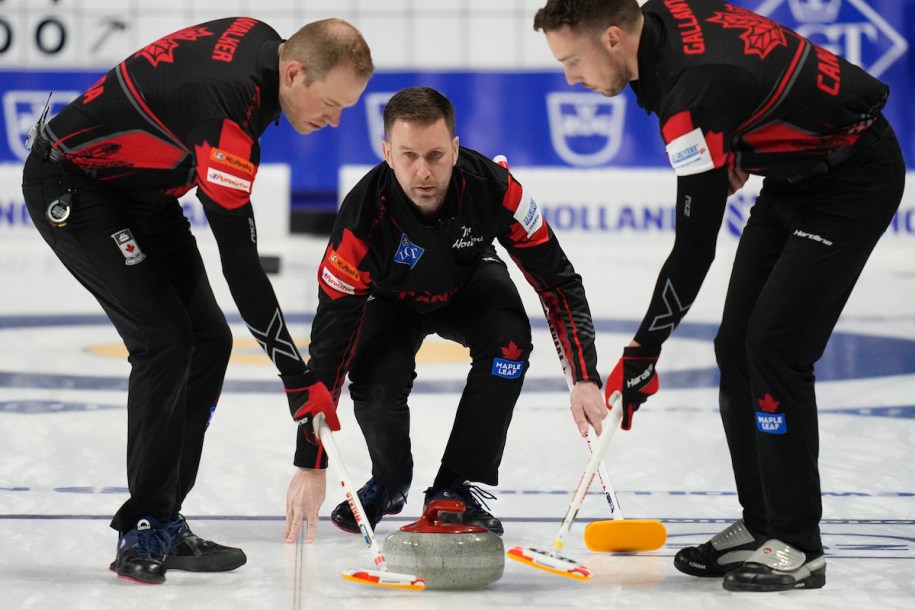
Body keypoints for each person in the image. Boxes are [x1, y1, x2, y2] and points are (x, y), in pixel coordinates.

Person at [534, 0, 904, 593]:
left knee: (775, 347)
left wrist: (642, 352)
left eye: (572, 61)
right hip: (791, 177)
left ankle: (799, 545)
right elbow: (749, 71)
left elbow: (694, 249)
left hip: (853, 178)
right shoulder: (661, 22)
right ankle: (761, 525)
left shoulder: (693, 94)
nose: (570, 79)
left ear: (610, 38)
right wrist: (736, 143)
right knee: (734, 345)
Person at [21, 17, 372, 585]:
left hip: (145, 192)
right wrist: (296, 377)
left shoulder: (261, 40)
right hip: (75, 186)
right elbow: (240, 265)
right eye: (331, 104)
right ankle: (141, 526)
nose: (334, 121)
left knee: (209, 340)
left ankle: (163, 516)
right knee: (164, 339)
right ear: (295, 71)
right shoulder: (225, 115)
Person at [283, 86, 605, 540]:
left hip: (469, 283)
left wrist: (584, 375)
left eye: (435, 155)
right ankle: (390, 483)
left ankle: (457, 486)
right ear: (386, 153)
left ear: (455, 149)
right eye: (408, 155)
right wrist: (311, 461)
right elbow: (330, 340)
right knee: (373, 380)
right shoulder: (360, 222)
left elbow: (557, 279)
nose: (423, 172)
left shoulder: (495, 188)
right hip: (392, 301)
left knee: (509, 342)